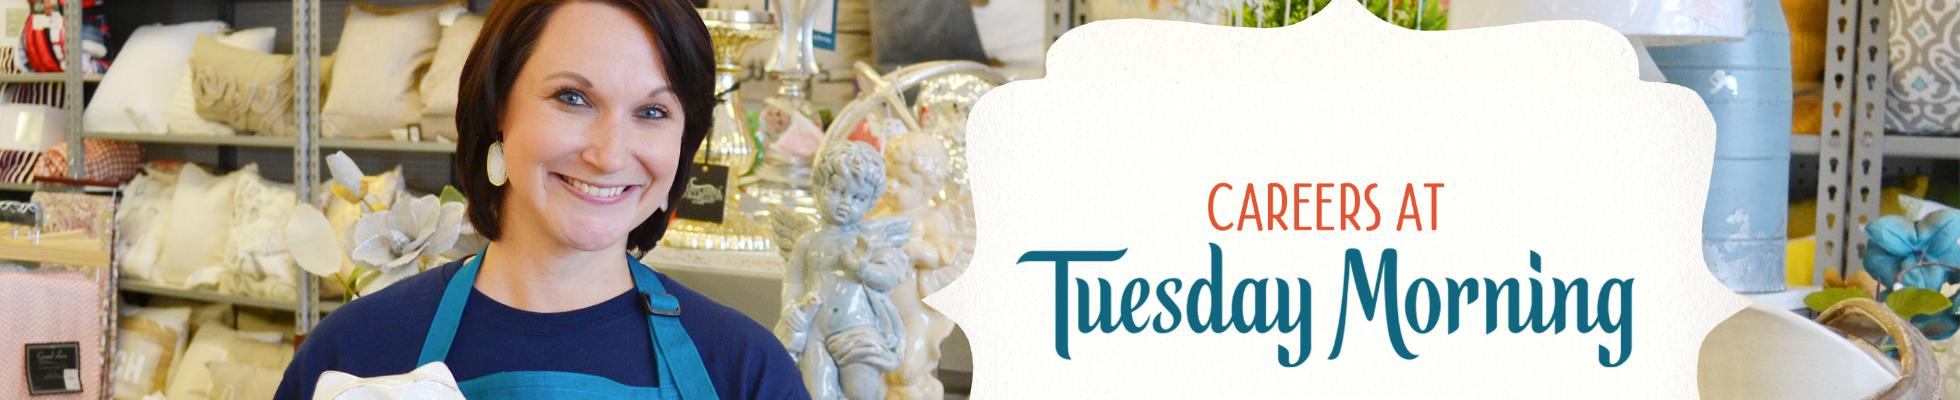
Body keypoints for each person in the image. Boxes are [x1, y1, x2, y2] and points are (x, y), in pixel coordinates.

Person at [272, 0, 808, 398]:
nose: (608, 155)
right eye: (573, 98)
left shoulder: (745, 371)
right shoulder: (355, 352)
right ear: (497, 109)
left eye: (652, 112)